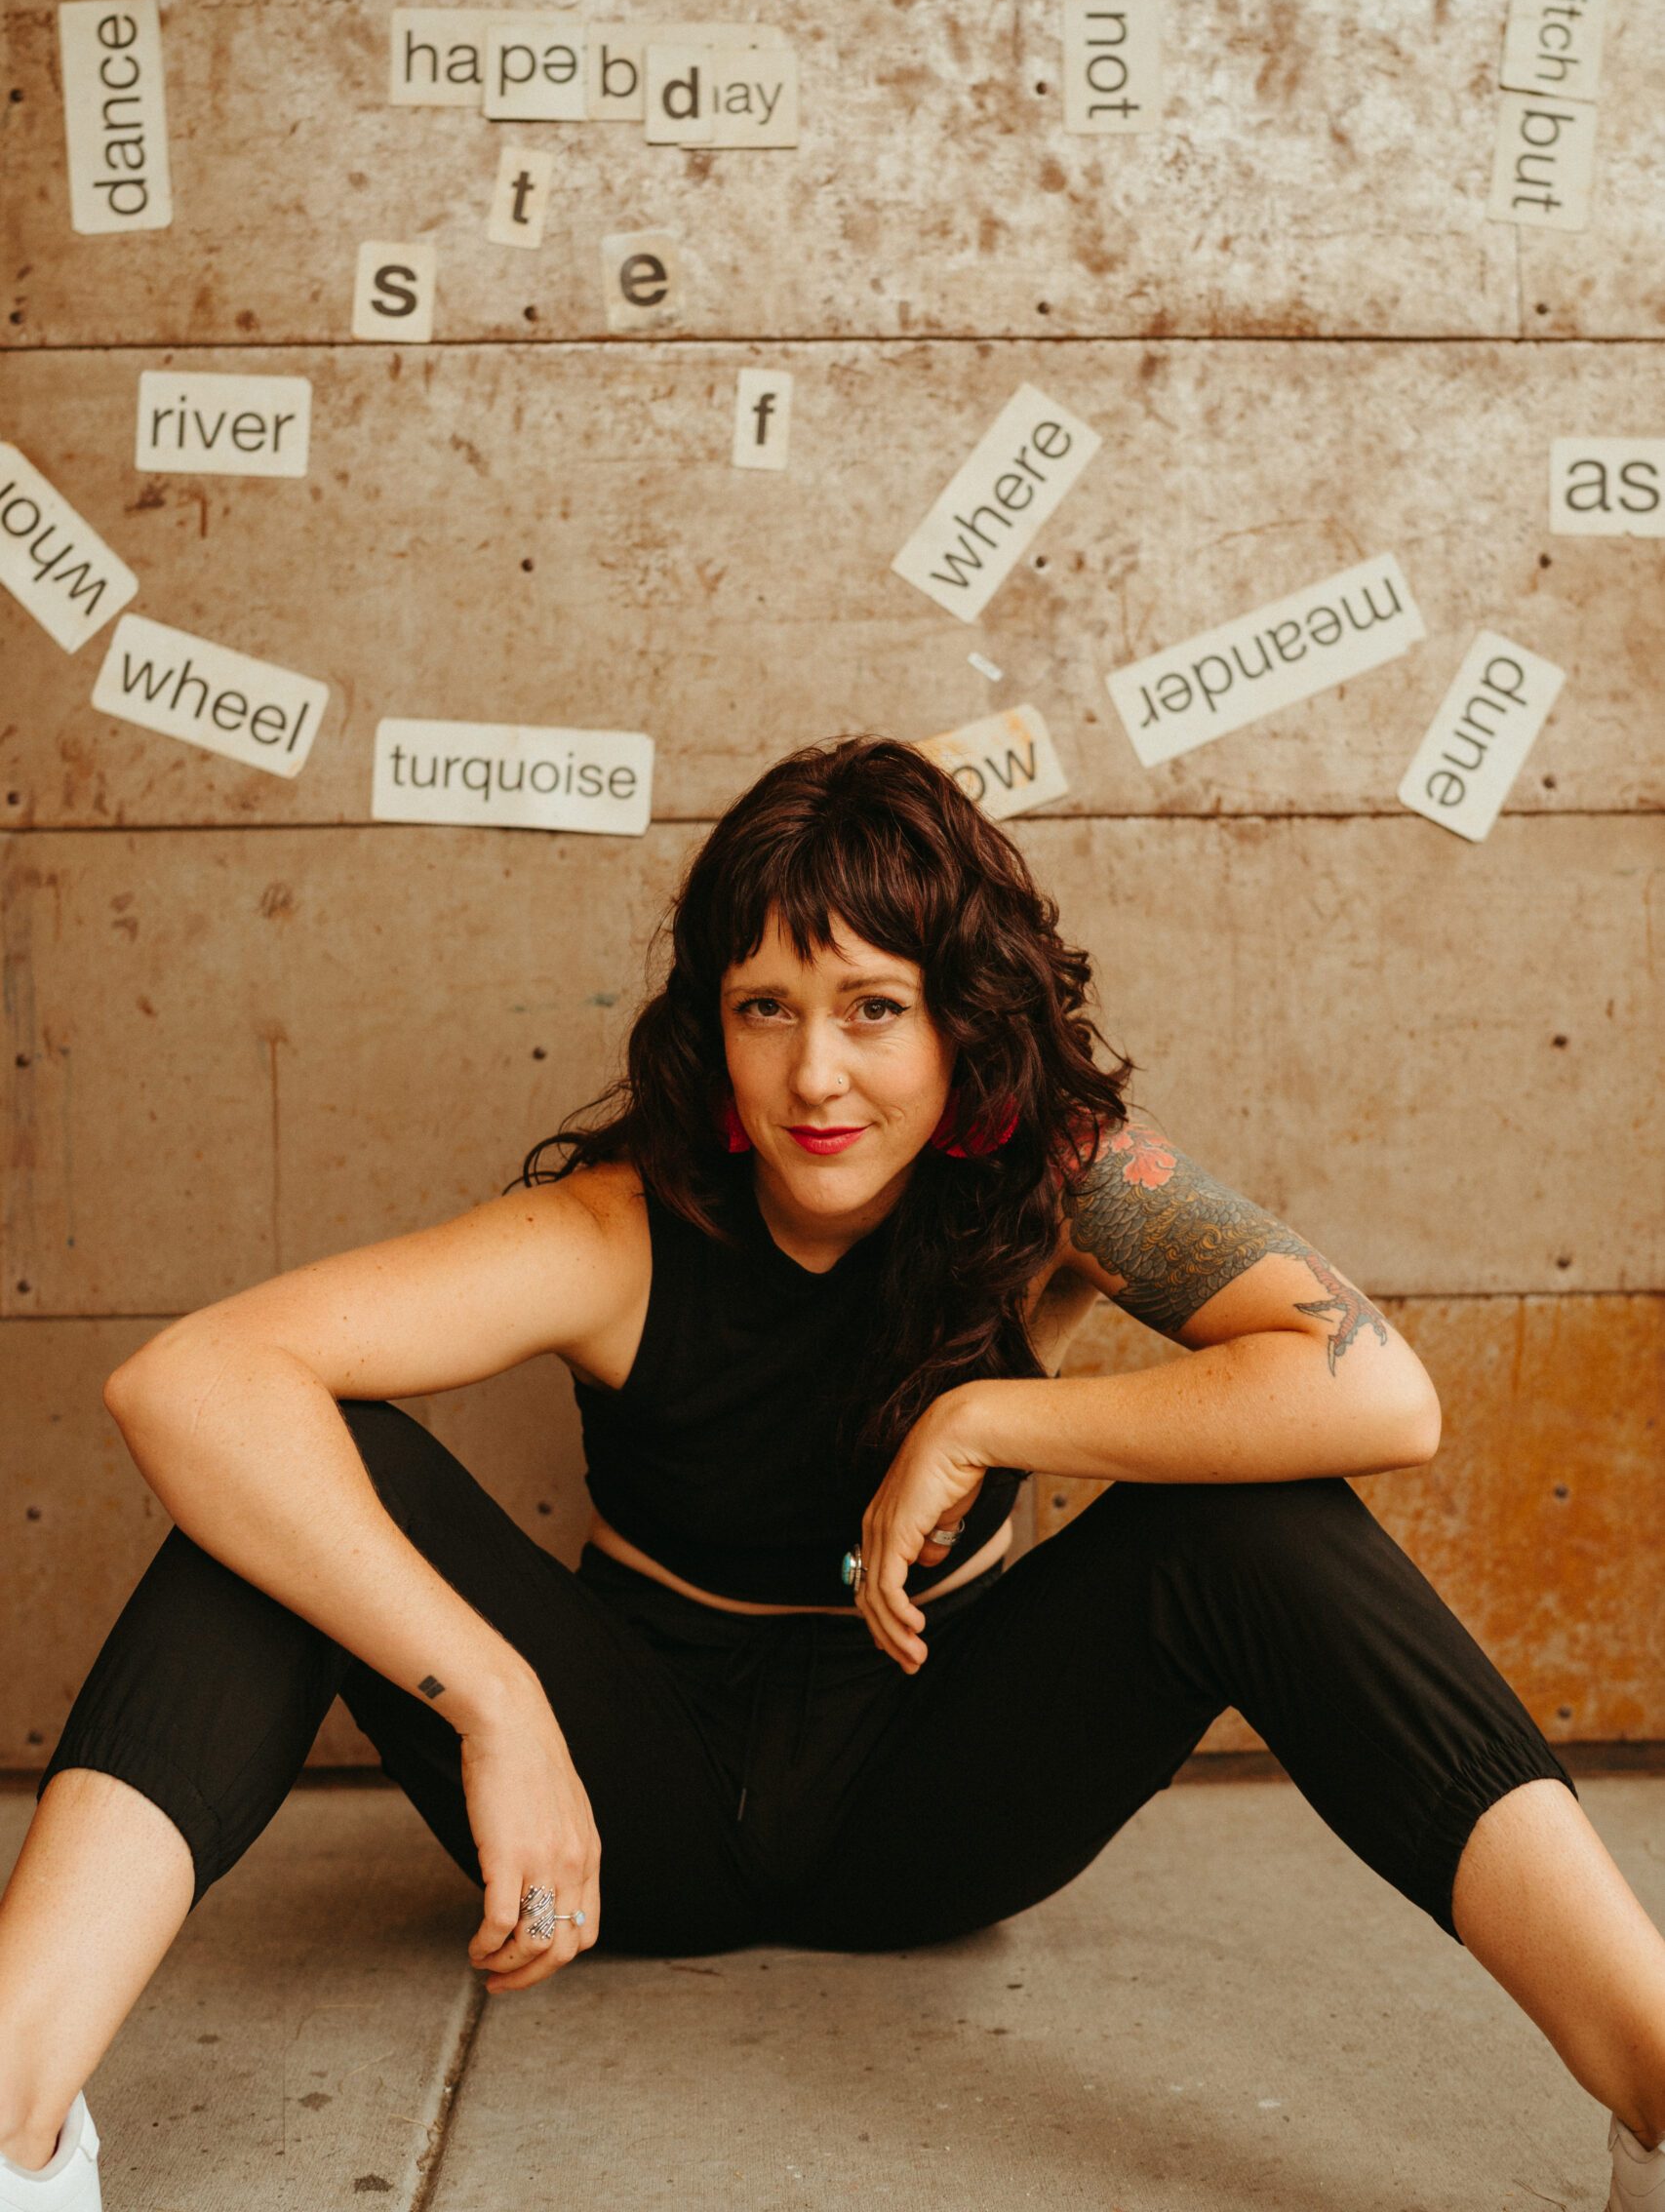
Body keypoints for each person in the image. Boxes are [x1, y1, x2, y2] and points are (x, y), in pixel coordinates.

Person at [1, 735, 1661, 2212]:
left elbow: (1381, 1396)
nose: (815, 1076)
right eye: (764, 1012)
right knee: (299, 1470)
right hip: (618, 1797)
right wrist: (499, 1708)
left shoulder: (1067, 1183)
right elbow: (192, 1379)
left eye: (875, 1008)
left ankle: (1654, 2078)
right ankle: (13, 2125)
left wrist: (991, 1422)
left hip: (935, 1788)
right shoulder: (615, 1225)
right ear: (710, 1029)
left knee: (1252, 1515)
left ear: (963, 1024)